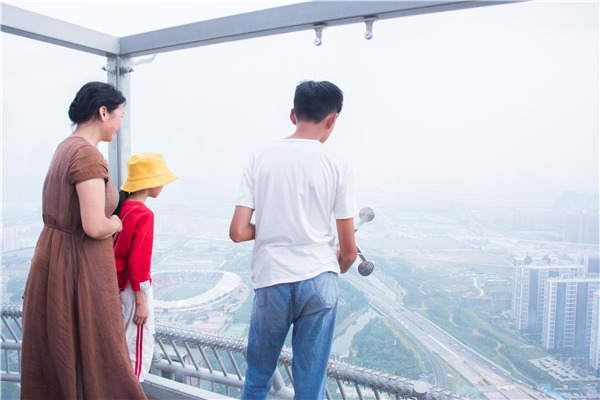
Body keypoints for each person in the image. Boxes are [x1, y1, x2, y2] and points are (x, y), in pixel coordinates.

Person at [229, 80, 358, 400]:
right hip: (319, 278)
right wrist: (340, 263)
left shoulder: (259, 157)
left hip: (271, 278)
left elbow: (238, 231)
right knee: (309, 386)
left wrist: (273, 223)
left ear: (292, 115)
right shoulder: (337, 164)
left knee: (257, 379)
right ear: (333, 119)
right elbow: (349, 251)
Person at [20, 82, 147, 399]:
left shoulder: (65, 147)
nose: (120, 124)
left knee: (62, 354)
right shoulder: (88, 156)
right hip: (79, 267)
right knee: (98, 352)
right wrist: (116, 221)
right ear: (103, 112)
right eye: (120, 115)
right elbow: (93, 225)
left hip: (53, 261)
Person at [113, 152, 177, 382]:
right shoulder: (143, 214)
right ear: (150, 182)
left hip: (118, 286)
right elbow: (138, 263)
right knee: (137, 349)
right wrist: (141, 303)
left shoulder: (121, 208)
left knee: (122, 344)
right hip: (133, 289)